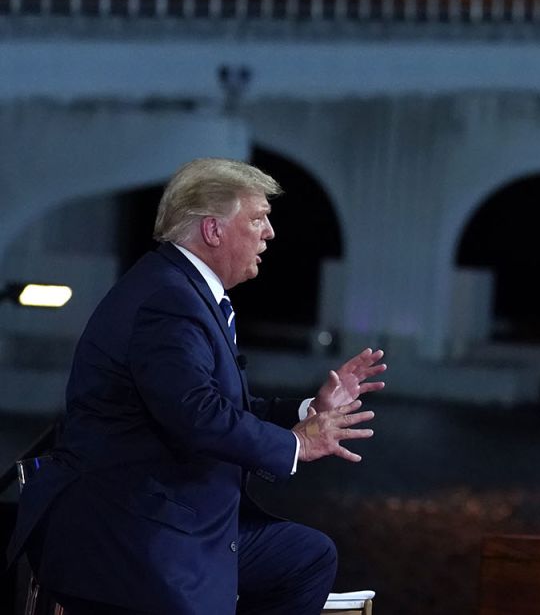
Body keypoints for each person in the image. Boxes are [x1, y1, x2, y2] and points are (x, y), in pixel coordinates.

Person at [5, 158, 387, 614]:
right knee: (302, 559)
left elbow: (218, 404)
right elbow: (196, 414)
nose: (270, 234)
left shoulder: (180, 288)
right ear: (213, 230)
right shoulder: (169, 299)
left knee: (304, 556)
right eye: (258, 219)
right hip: (132, 536)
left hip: (161, 520)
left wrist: (309, 411)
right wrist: (295, 445)